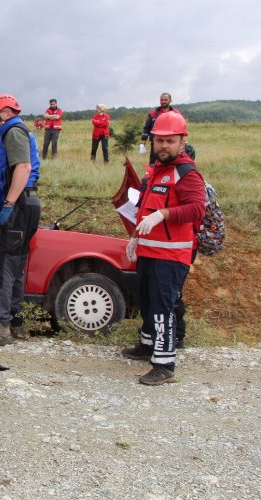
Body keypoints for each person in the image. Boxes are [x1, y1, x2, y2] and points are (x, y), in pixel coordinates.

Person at [122, 112, 205, 386]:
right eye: (159, 140)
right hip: (149, 252)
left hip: (171, 256)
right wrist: (135, 237)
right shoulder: (157, 171)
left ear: (182, 141)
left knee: (162, 307)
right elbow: (143, 209)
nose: (164, 146)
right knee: (145, 302)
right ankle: (148, 346)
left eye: (170, 141)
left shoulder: (186, 173)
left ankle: (164, 363)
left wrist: (164, 215)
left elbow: (196, 209)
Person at [0, 94, 42, 347]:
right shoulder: (17, 131)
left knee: (3, 265)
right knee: (16, 265)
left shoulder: (13, 132)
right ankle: (14, 322)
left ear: (5, 113)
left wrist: (8, 203)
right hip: (28, 203)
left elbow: (23, 168)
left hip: (19, 204)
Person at [141, 92, 180, 165]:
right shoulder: (154, 113)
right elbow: (146, 127)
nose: (163, 101)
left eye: (165, 100)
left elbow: (180, 129)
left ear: (170, 100)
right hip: (156, 142)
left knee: (170, 163)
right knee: (153, 164)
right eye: (162, 100)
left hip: (170, 143)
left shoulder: (176, 113)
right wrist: (143, 140)